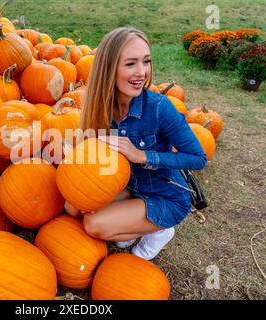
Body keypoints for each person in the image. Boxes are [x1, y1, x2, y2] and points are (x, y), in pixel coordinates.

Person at [64, 27, 207, 260]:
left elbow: (198, 158)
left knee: (93, 224)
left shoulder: (160, 108)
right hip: (132, 188)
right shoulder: (101, 107)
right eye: (131, 64)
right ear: (109, 68)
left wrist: (142, 155)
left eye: (146, 62)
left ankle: (161, 229)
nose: (141, 72)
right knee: (74, 207)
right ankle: (133, 223)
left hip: (165, 196)